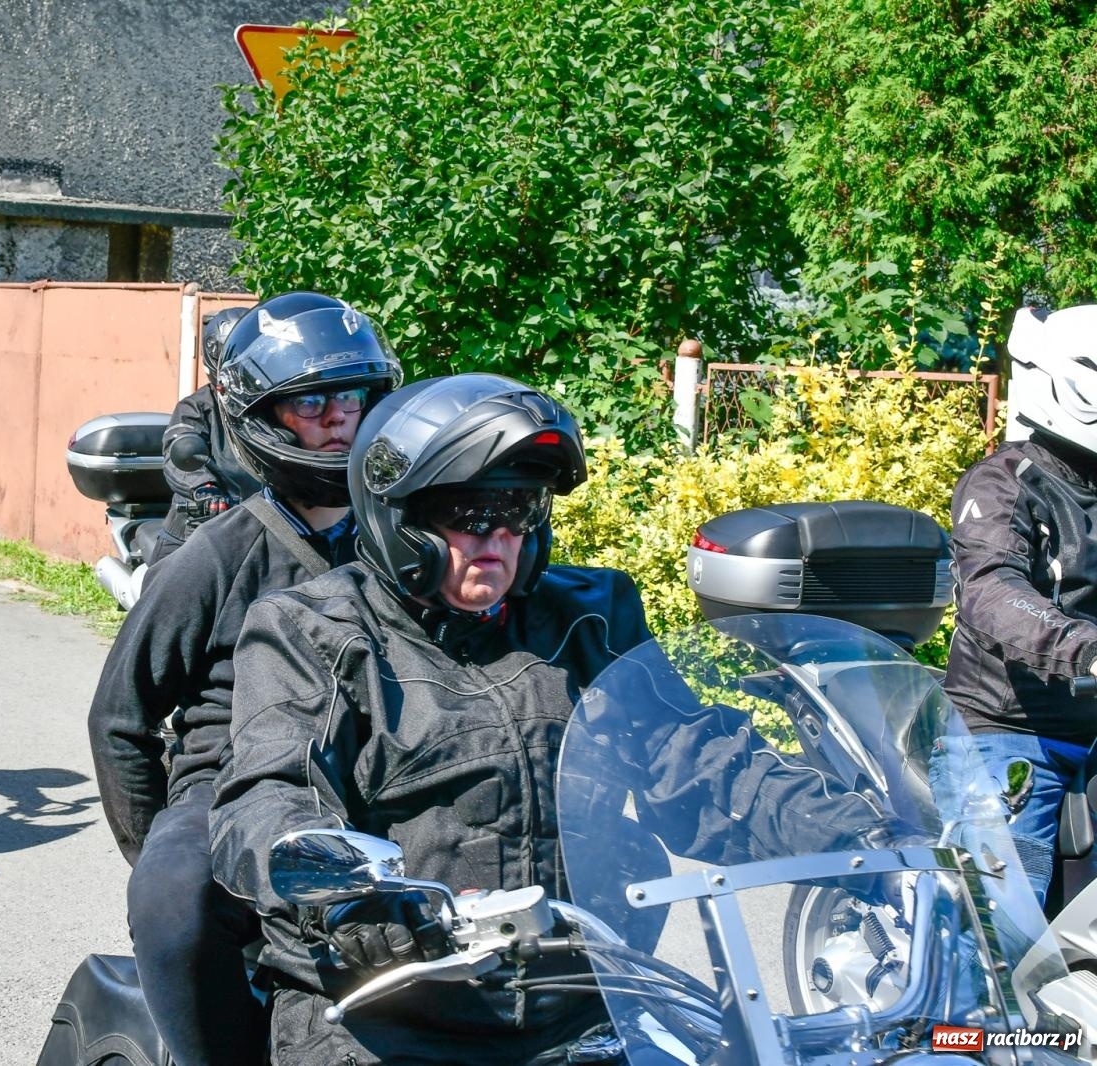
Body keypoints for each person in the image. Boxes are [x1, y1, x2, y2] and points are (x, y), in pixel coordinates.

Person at [208, 373, 898, 1064]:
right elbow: (271, 794)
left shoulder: (588, 620)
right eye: (469, 513)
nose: (496, 538)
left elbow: (700, 764)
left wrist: (870, 839)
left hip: (575, 1004)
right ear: (398, 516)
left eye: (517, 511)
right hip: (383, 1010)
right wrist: (354, 904)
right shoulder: (313, 631)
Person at [87, 292, 402, 1066]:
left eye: (353, 396)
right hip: (230, 784)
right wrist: (163, 841)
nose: (340, 417)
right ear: (263, 417)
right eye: (312, 402)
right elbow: (119, 717)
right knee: (175, 901)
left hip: (378, 772)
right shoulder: (216, 555)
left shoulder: (407, 541)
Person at [941, 303, 1097, 904]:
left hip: (1091, 726)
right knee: (1006, 926)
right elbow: (990, 589)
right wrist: (1084, 649)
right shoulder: (1005, 481)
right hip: (1010, 730)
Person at [147, 305, 261, 568]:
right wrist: (205, 490)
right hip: (198, 524)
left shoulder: (268, 408)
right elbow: (179, 449)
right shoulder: (195, 408)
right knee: (165, 594)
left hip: (257, 521)